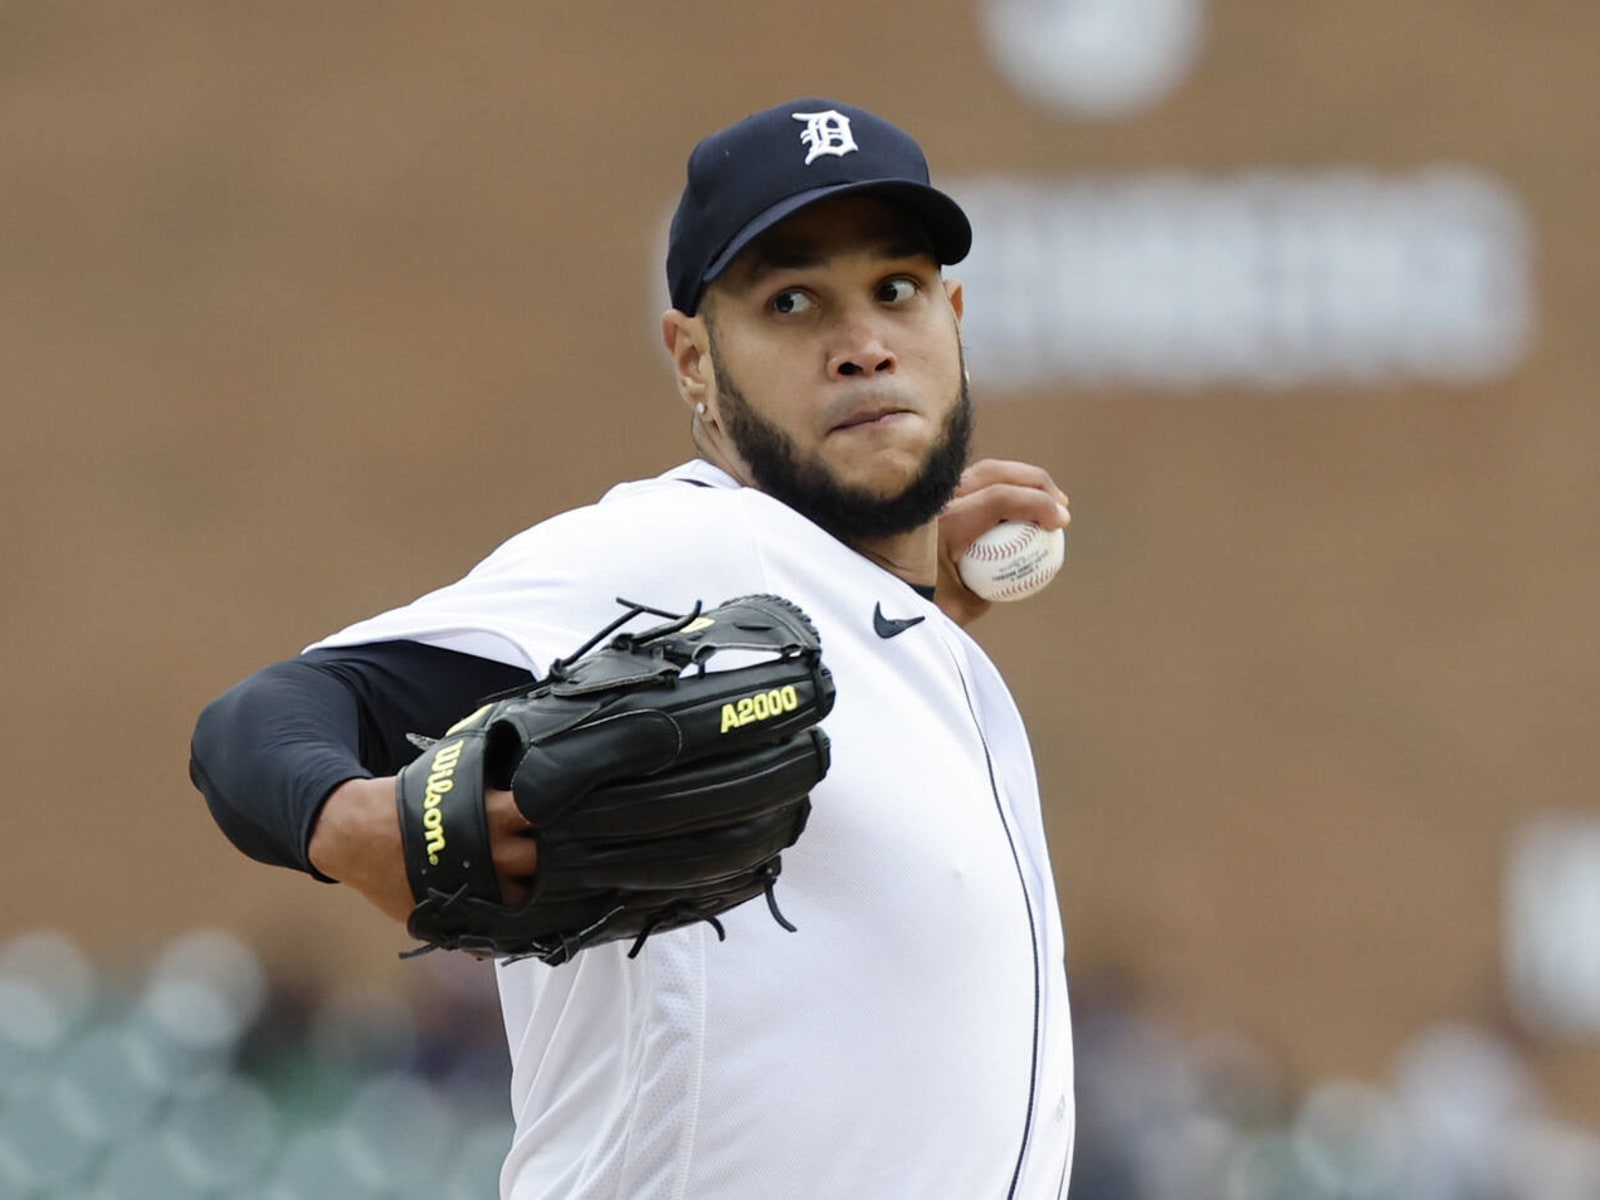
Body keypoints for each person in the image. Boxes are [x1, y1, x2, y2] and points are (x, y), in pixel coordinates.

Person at [191, 97, 1075, 1199]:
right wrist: (353, 820)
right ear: (694, 360)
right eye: (791, 301)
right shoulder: (684, 545)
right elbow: (259, 722)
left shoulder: (890, 630)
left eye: (893, 289)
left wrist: (890, 597)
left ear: (951, 314)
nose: (860, 347)